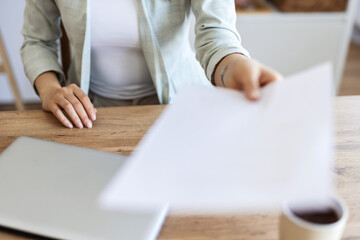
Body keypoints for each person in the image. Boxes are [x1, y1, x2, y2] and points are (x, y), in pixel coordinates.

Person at [21, 0, 282, 129]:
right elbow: (36, 40)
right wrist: (50, 89)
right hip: (89, 112)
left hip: (179, 107)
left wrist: (232, 67)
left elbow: (216, 34)